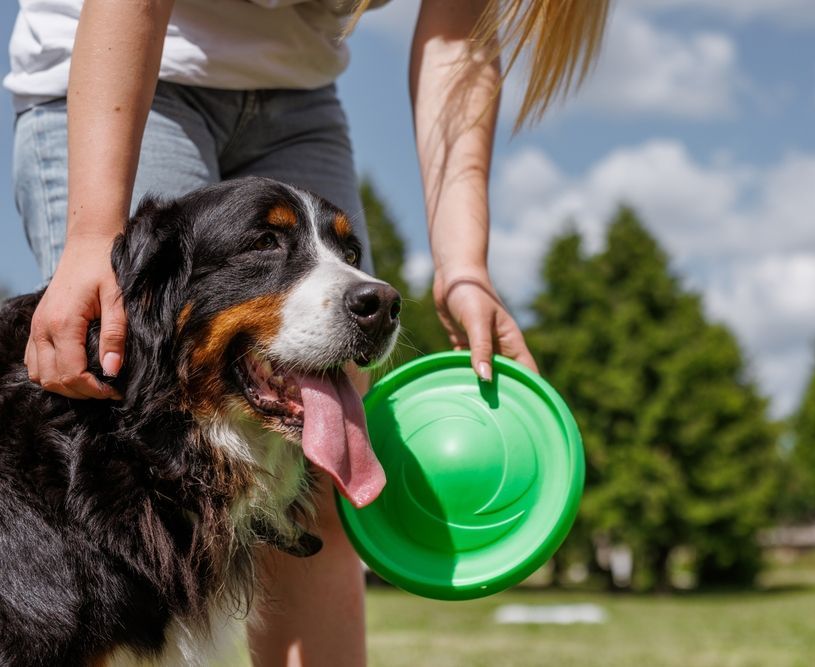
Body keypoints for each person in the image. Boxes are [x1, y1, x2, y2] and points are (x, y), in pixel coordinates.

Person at [4, 0, 609, 664]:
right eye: (268, 246)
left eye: (346, 260)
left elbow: (457, 40)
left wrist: (463, 267)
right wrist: (97, 241)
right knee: (121, 441)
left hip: (298, 91)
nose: (365, 287)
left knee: (322, 497)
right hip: (123, 58)